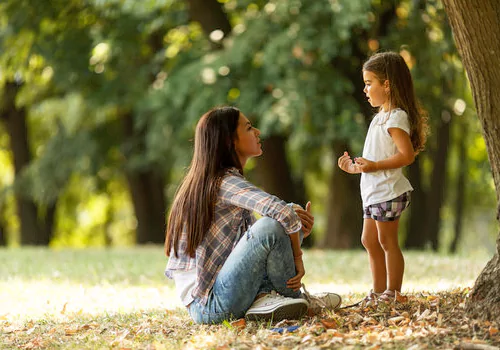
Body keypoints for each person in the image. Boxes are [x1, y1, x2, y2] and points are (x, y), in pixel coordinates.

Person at [165, 106, 341, 324]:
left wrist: (293, 222)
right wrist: (297, 256)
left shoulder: (216, 180)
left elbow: (255, 243)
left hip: (220, 294)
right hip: (209, 304)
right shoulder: (223, 182)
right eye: (249, 128)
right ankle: (291, 298)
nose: (257, 132)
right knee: (273, 223)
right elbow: (275, 217)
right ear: (230, 141)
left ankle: (267, 298)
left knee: (285, 215)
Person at [338, 51, 428, 304]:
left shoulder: (396, 117)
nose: (365, 89)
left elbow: (406, 155)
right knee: (368, 240)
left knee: (387, 241)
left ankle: (393, 292)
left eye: (369, 83)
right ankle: (377, 292)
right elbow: (374, 159)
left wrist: (375, 165)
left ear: (386, 84)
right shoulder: (380, 117)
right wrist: (355, 167)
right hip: (374, 191)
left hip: (389, 191)